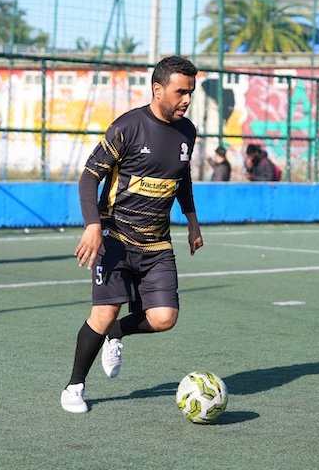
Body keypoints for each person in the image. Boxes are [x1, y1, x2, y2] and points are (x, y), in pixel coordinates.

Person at [61, 55, 204, 414]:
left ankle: (119, 332)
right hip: (115, 239)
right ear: (158, 90)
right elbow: (89, 176)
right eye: (180, 92)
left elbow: (182, 176)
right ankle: (74, 387)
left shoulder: (188, 131)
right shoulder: (127, 127)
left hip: (157, 244)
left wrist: (192, 219)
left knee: (164, 318)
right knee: (104, 311)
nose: (187, 99)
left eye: (191, 92)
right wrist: (93, 224)